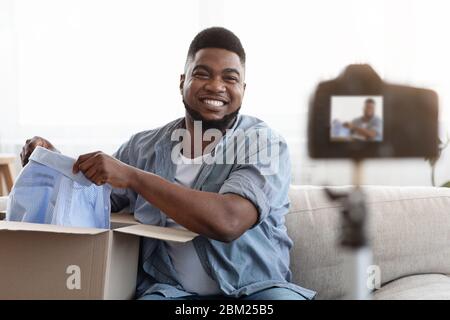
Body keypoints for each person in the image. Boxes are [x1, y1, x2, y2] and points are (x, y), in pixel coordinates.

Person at [19, 27, 316, 300]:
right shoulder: (142, 148)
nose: (216, 86)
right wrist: (47, 160)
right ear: (182, 81)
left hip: (254, 292)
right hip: (169, 293)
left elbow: (229, 221)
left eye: (230, 78)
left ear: (243, 89)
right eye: (202, 74)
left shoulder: (262, 143)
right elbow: (88, 198)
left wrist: (135, 178)